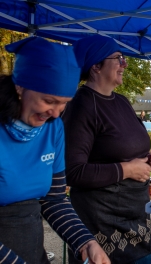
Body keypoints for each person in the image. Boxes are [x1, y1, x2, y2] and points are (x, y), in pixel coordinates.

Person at [0, 37, 109, 263]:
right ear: (20, 86)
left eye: (64, 103)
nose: (56, 113)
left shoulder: (53, 128)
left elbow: (54, 199)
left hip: (30, 248)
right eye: (49, 101)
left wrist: (85, 241)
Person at [62, 35, 151, 263]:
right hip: (102, 227)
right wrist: (126, 169)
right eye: (118, 59)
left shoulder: (122, 101)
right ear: (96, 66)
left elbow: (127, 147)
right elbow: (73, 171)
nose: (124, 64)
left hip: (137, 217)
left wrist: (150, 159)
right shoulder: (82, 105)